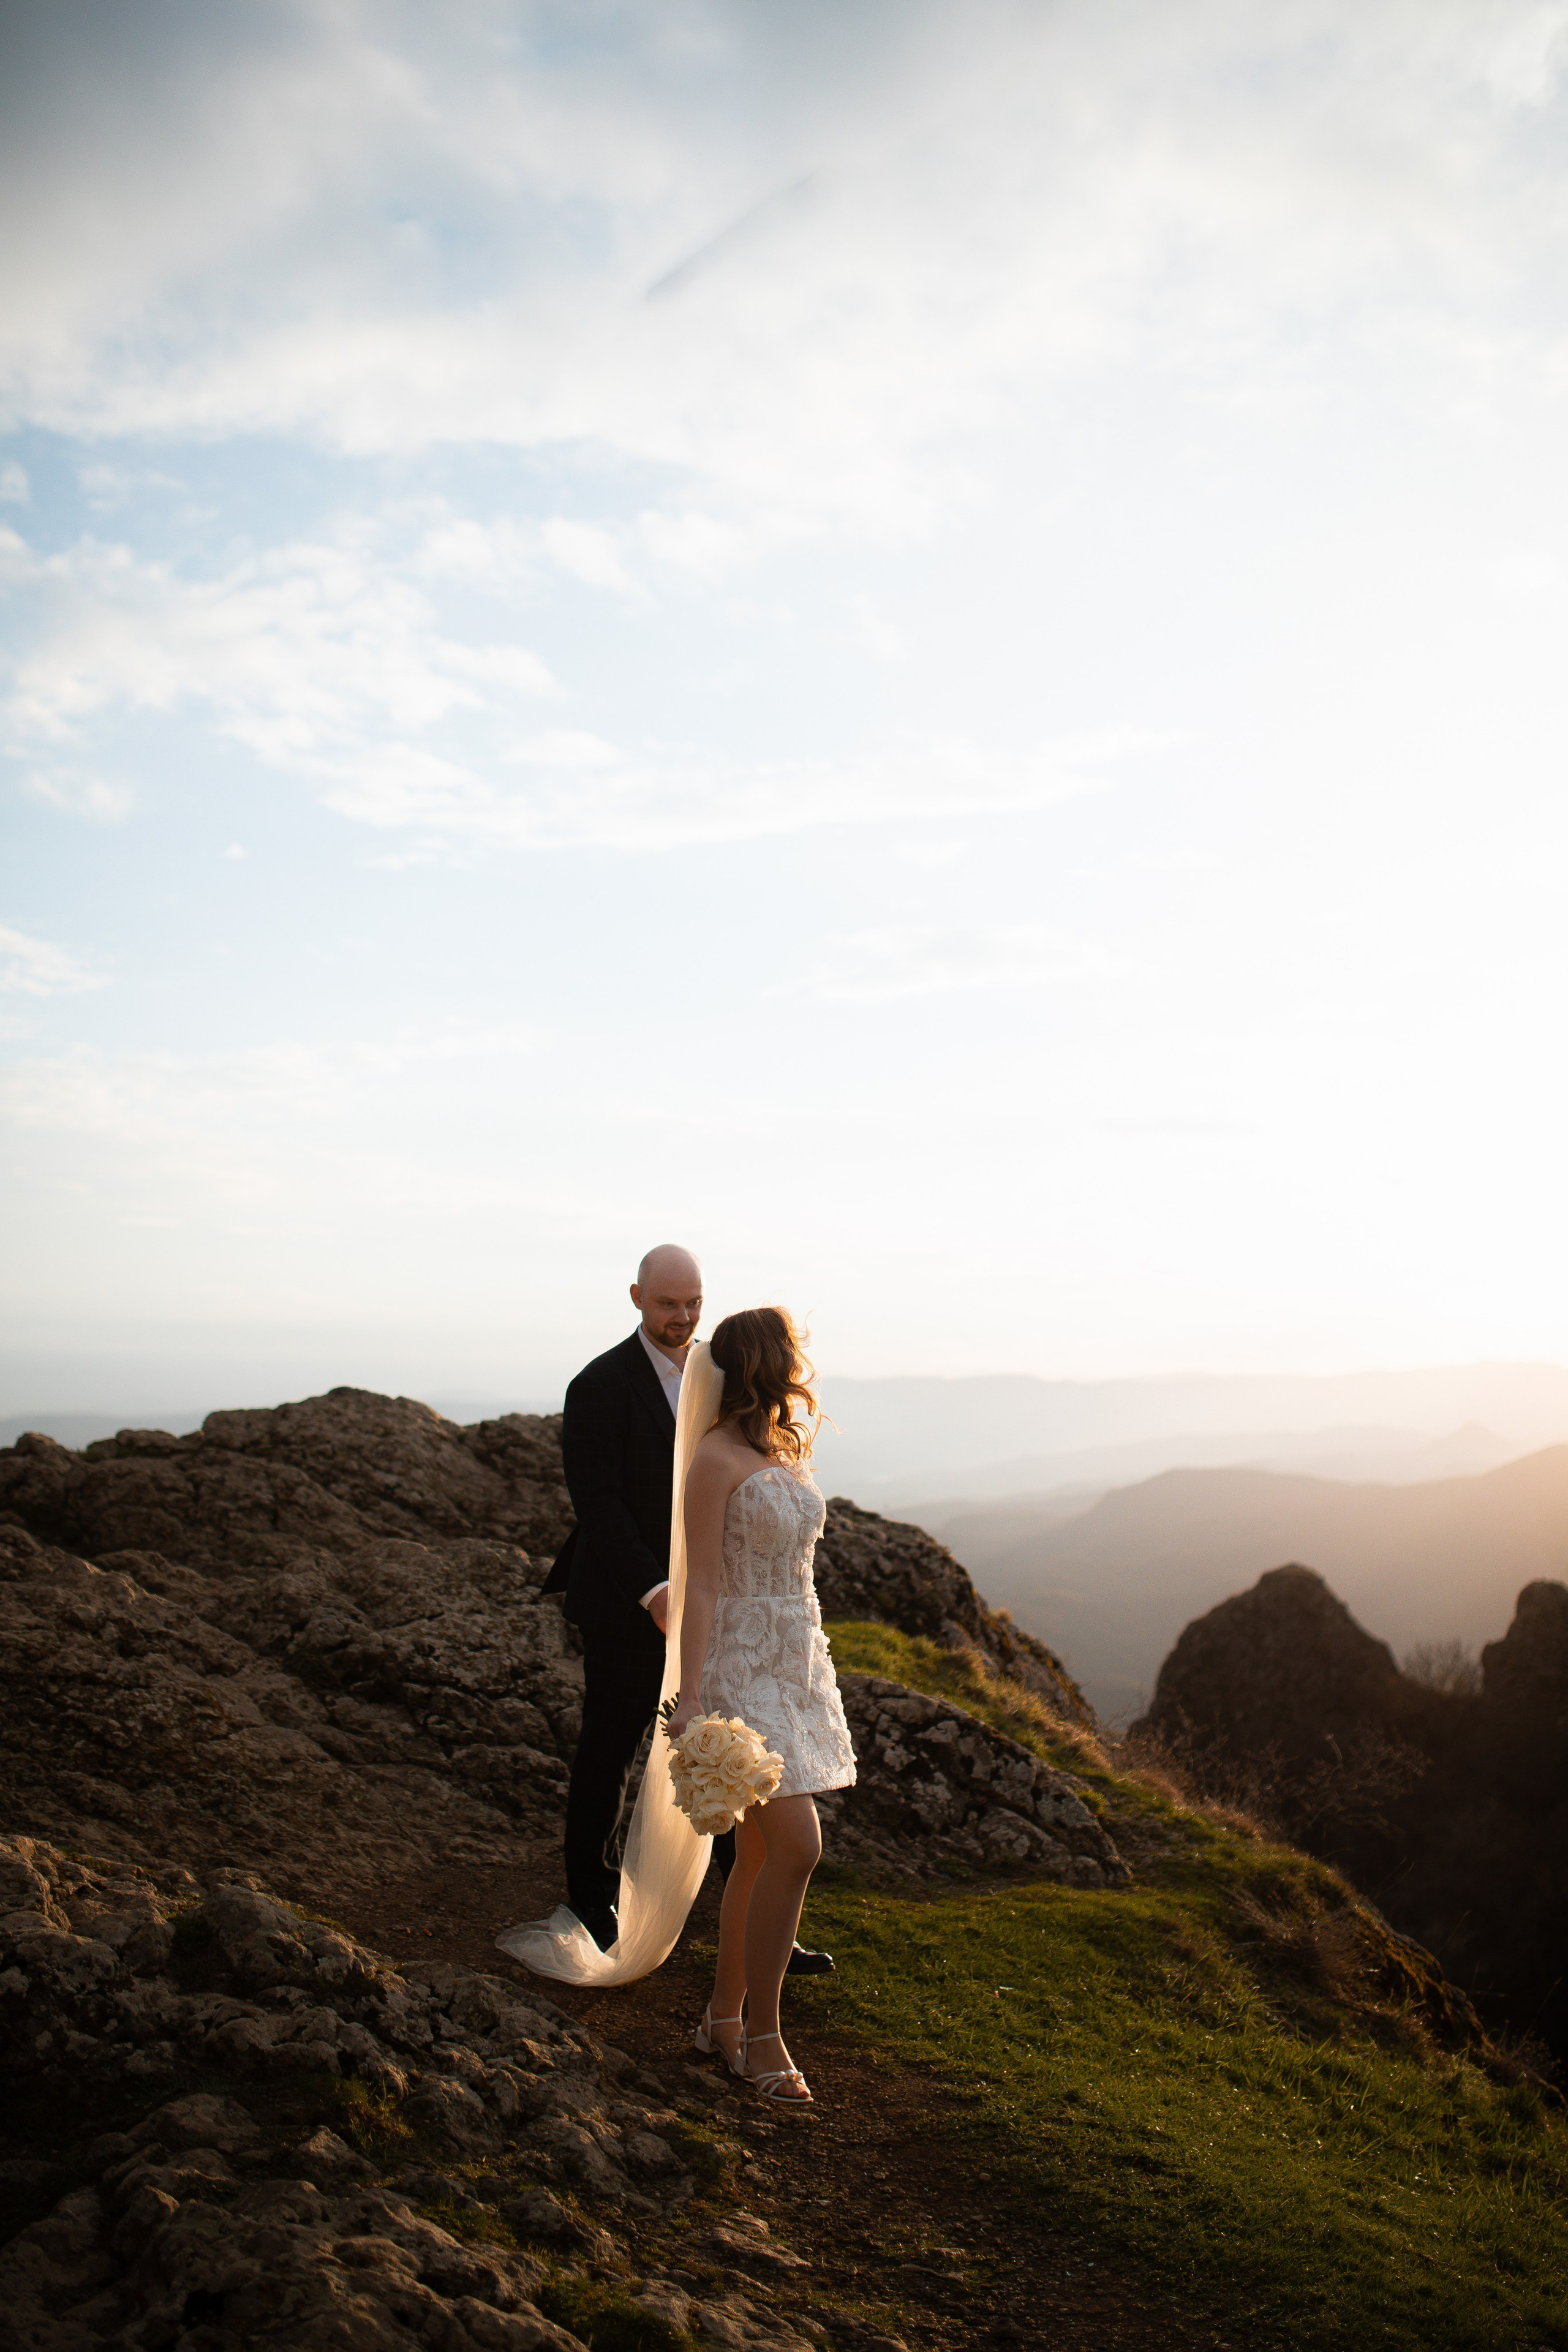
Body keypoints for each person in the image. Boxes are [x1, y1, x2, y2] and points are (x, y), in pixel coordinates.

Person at [666, 1305, 856, 2103]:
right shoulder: (712, 1459)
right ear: (763, 1364)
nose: (797, 1366)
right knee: (797, 1848)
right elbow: (702, 1581)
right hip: (741, 1666)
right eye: (787, 1354)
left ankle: (720, 2019)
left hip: (796, 1657)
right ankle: (763, 2039)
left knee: (754, 1855)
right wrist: (693, 1691)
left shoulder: (775, 1447)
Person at [540, 1243, 703, 1950]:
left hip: (706, 1601)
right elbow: (599, 1505)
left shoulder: (714, 1374)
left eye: (694, 1301)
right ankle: (589, 1896)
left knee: (720, 1746)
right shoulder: (599, 1384)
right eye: (668, 1303)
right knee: (610, 1747)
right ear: (636, 1298)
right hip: (622, 1601)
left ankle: (753, 1917)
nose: (683, 1316)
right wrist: (654, 1589)